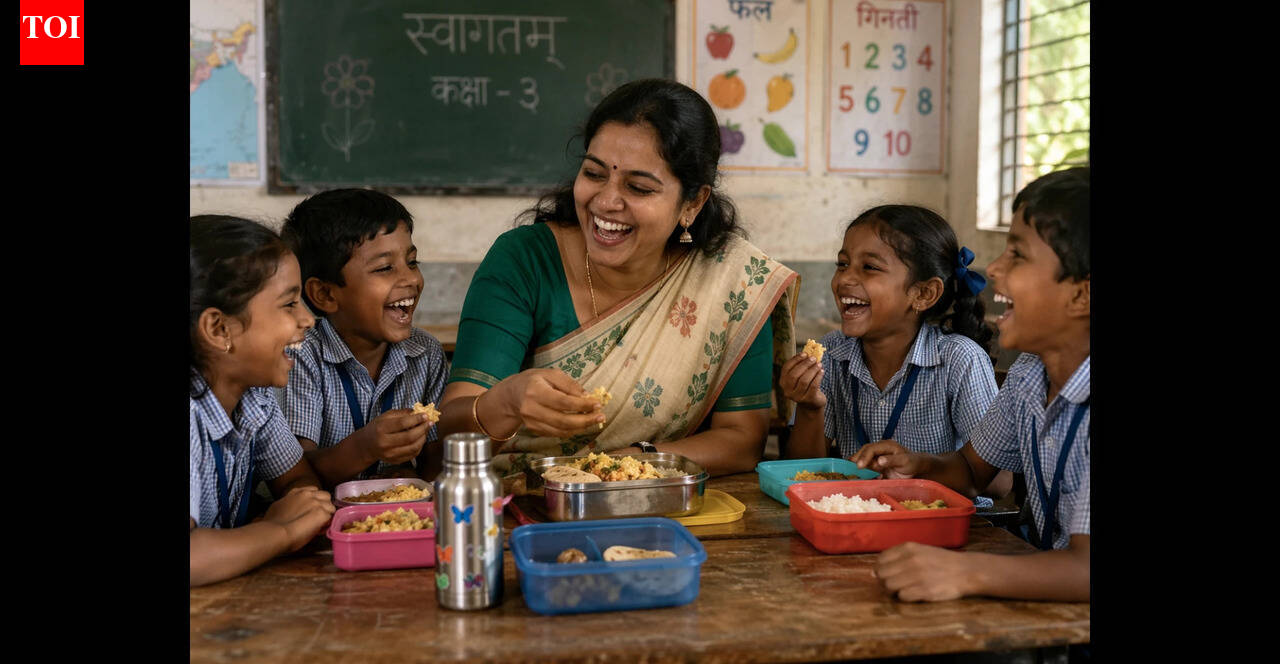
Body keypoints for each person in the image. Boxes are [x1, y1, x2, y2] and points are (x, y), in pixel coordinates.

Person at [427, 79, 799, 486]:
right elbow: (451, 436)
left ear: (692, 203)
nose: (605, 201)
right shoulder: (524, 260)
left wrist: (630, 464)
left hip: (659, 502)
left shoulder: (734, 282)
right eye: (593, 173)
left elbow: (742, 440)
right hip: (518, 502)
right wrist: (506, 402)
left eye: (638, 187)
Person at [854, 168, 1090, 602]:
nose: (994, 268)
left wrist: (966, 572)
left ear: (1081, 295)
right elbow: (970, 472)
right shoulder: (1029, 376)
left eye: (1017, 255)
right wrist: (919, 465)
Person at [780, 205, 1008, 499]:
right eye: (843, 264)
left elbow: (999, 483)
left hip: (941, 520)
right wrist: (810, 408)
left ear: (923, 294)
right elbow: (804, 475)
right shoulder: (834, 354)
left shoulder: (959, 360)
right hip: (861, 516)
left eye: (870, 267)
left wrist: (919, 467)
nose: (844, 279)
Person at [190, 215, 335, 587]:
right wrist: (280, 532)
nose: (308, 319)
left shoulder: (256, 397)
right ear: (219, 329)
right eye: (289, 304)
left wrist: (303, 508)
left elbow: (296, 477)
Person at [280, 189, 449, 488]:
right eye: (385, 268)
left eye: (412, 262)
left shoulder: (426, 353)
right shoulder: (300, 356)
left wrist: (414, 476)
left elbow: (435, 461)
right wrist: (365, 448)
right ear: (326, 294)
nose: (411, 278)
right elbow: (294, 474)